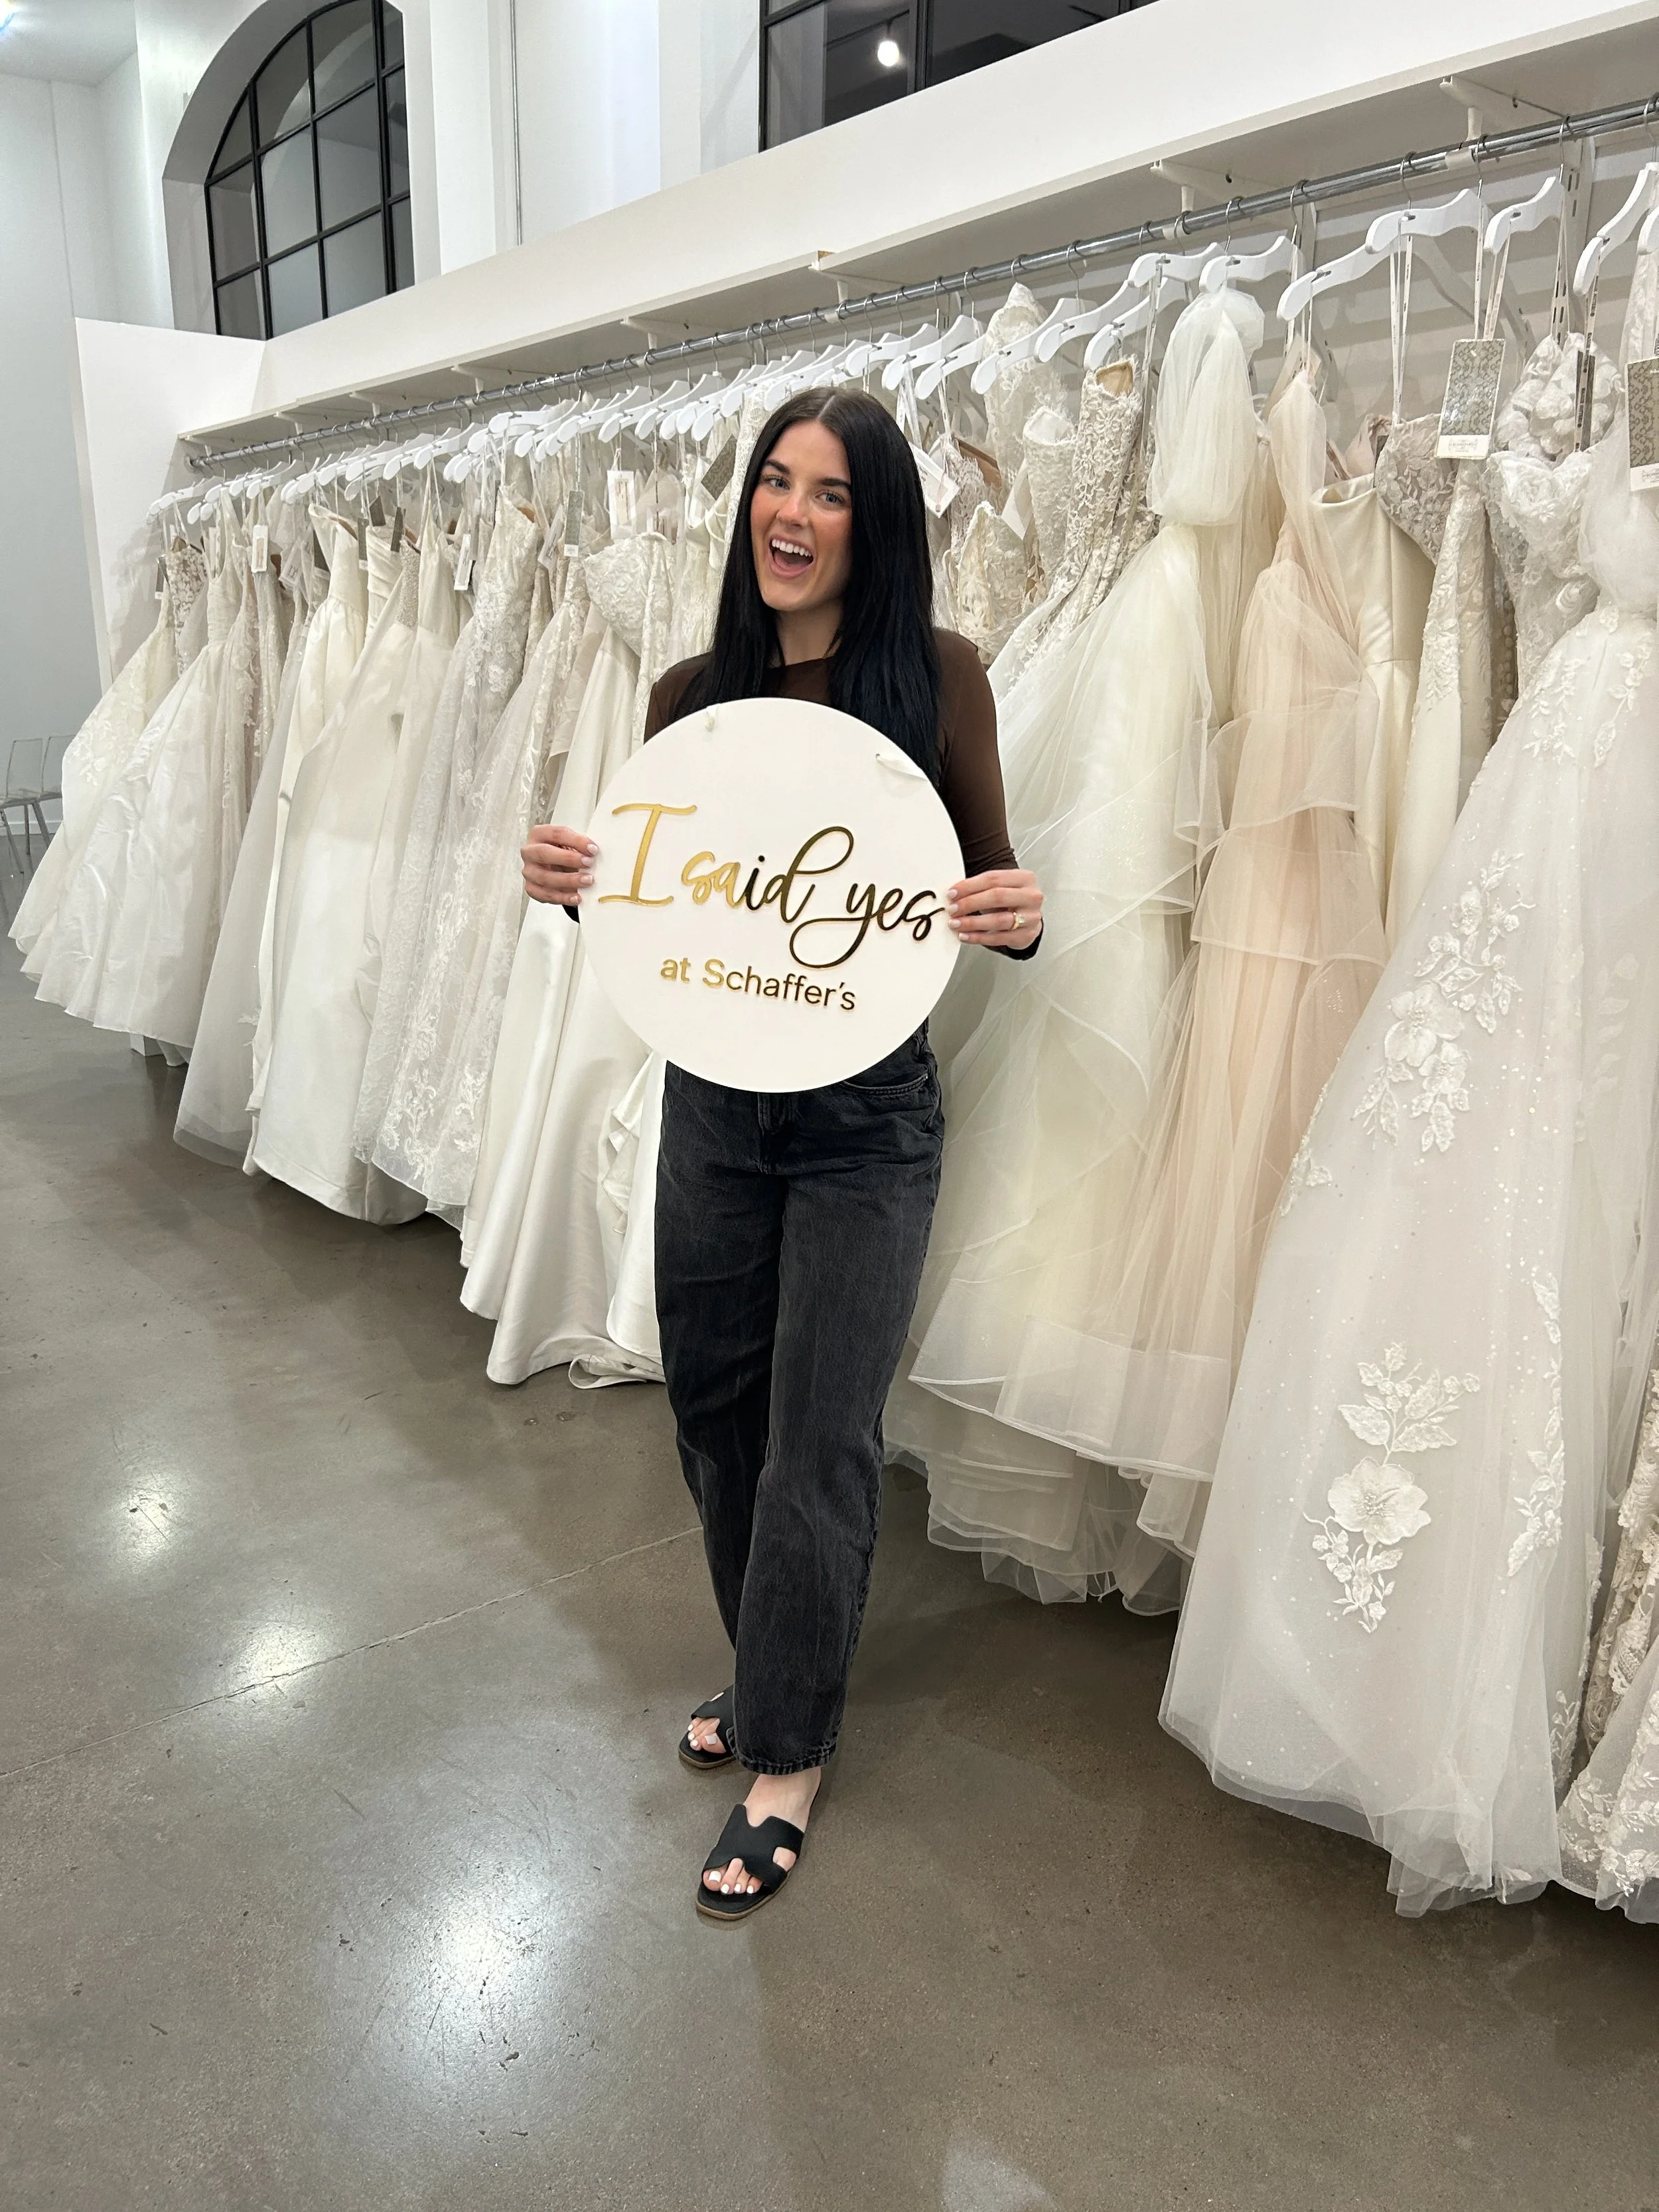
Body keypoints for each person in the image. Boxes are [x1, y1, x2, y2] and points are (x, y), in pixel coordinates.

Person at [522, 388, 1043, 1919]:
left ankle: (786, 1751)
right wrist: (572, 887)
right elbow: (653, 913)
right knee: (714, 1403)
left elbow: (993, 888)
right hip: (715, 1101)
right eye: (771, 480)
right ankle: (771, 1666)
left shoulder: (936, 682)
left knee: (821, 1433)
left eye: (827, 492)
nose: (789, 512)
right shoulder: (691, 696)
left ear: (871, 529)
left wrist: (1019, 914)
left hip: (867, 1115)